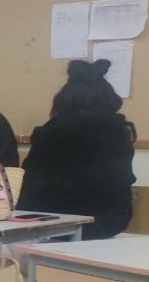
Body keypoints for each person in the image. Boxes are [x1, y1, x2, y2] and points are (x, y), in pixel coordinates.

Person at [17, 59, 136, 239]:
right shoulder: (120, 131)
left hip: (58, 225)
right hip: (112, 223)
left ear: (63, 101)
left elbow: (31, 187)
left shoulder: (50, 133)